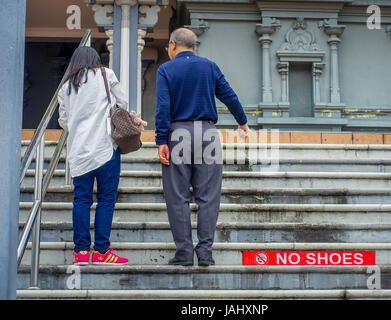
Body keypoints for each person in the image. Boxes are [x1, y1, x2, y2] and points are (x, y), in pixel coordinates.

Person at [155, 28, 249, 266]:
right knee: (208, 197)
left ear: (173, 44)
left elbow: (163, 108)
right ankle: (205, 253)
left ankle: (185, 253)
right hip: (208, 134)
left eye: (169, 47)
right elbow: (229, 95)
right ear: (194, 46)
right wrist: (243, 122)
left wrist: (161, 141)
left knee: (177, 197)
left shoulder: (166, 69)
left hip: (178, 134)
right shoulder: (209, 66)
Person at [58, 46, 145, 265]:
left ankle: (81, 252)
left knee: (81, 200)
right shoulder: (106, 74)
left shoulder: (66, 87)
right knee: (106, 200)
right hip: (105, 149)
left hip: (79, 152)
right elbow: (123, 103)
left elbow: (64, 121)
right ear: (96, 59)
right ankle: (102, 251)